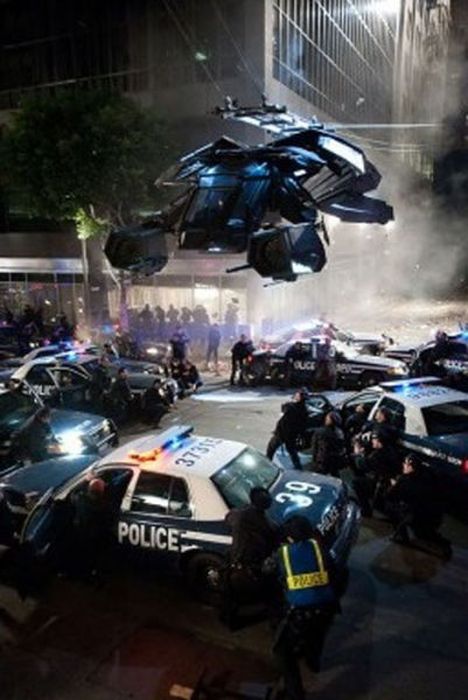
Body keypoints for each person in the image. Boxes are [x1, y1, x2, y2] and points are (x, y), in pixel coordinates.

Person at [269, 515, 340, 700]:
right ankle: (313, 662)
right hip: (326, 607)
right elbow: (334, 571)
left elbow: (267, 569)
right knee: (316, 636)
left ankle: (295, 693)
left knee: (282, 651)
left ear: (289, 537)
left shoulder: (283, 553)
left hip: (299, 612)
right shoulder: (320, 548)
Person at [220, 486, 279, 629]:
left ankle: (230, 621)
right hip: (252, 569)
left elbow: (228, 518)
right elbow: (274, 541)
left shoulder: (238, 514)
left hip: (234, 566)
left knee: (230, 597)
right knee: (272, 592)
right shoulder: (268, 525)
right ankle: (273, 620)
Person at [385, 453, 451, 556]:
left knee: (390, 507)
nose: (403, 465)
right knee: (424, 532)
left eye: (406, 464)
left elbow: (389, 496)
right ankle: (441, 542)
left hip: (418, 515)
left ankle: (402, 536)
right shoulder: (427, 477)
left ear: (412, 467)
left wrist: (394, 485)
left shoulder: (404, 480)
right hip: (434, 516)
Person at [71, 477, 114, 580]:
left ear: (89, 489)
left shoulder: (81, 500)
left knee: (84, 556)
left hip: (82, 534)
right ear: (102, 491)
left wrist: (85, 481)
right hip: (98, 536)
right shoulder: (104, 505)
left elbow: (73, 493)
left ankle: (86, 574)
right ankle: (95, 573)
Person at [352, 429, 400, 517]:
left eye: (374, 439)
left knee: (356, 482)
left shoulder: (378, 455)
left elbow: (362, 465)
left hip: (382, 484)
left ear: (379, 441)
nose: (372, 441)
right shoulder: (390, 450)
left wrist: (357, 454)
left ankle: (366, 510)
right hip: (389, 480)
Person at [266, 390, 309, 470]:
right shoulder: (304, 410)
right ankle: (298, 467)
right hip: (292, 435)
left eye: (297, 395)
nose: (295, 396)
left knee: (271, 448)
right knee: (292, 452)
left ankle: (267, 464)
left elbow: (284, 408)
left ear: (300, 398)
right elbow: (303, 426)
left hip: (282, 434)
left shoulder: (291, 407)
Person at [308, 412, 346, 477]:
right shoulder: (339, 432)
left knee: (318, 476)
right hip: (335, 458)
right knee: (335, 474)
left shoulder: (320, 432)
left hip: (323, 459)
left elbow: (315, 447)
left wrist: (314, 460)